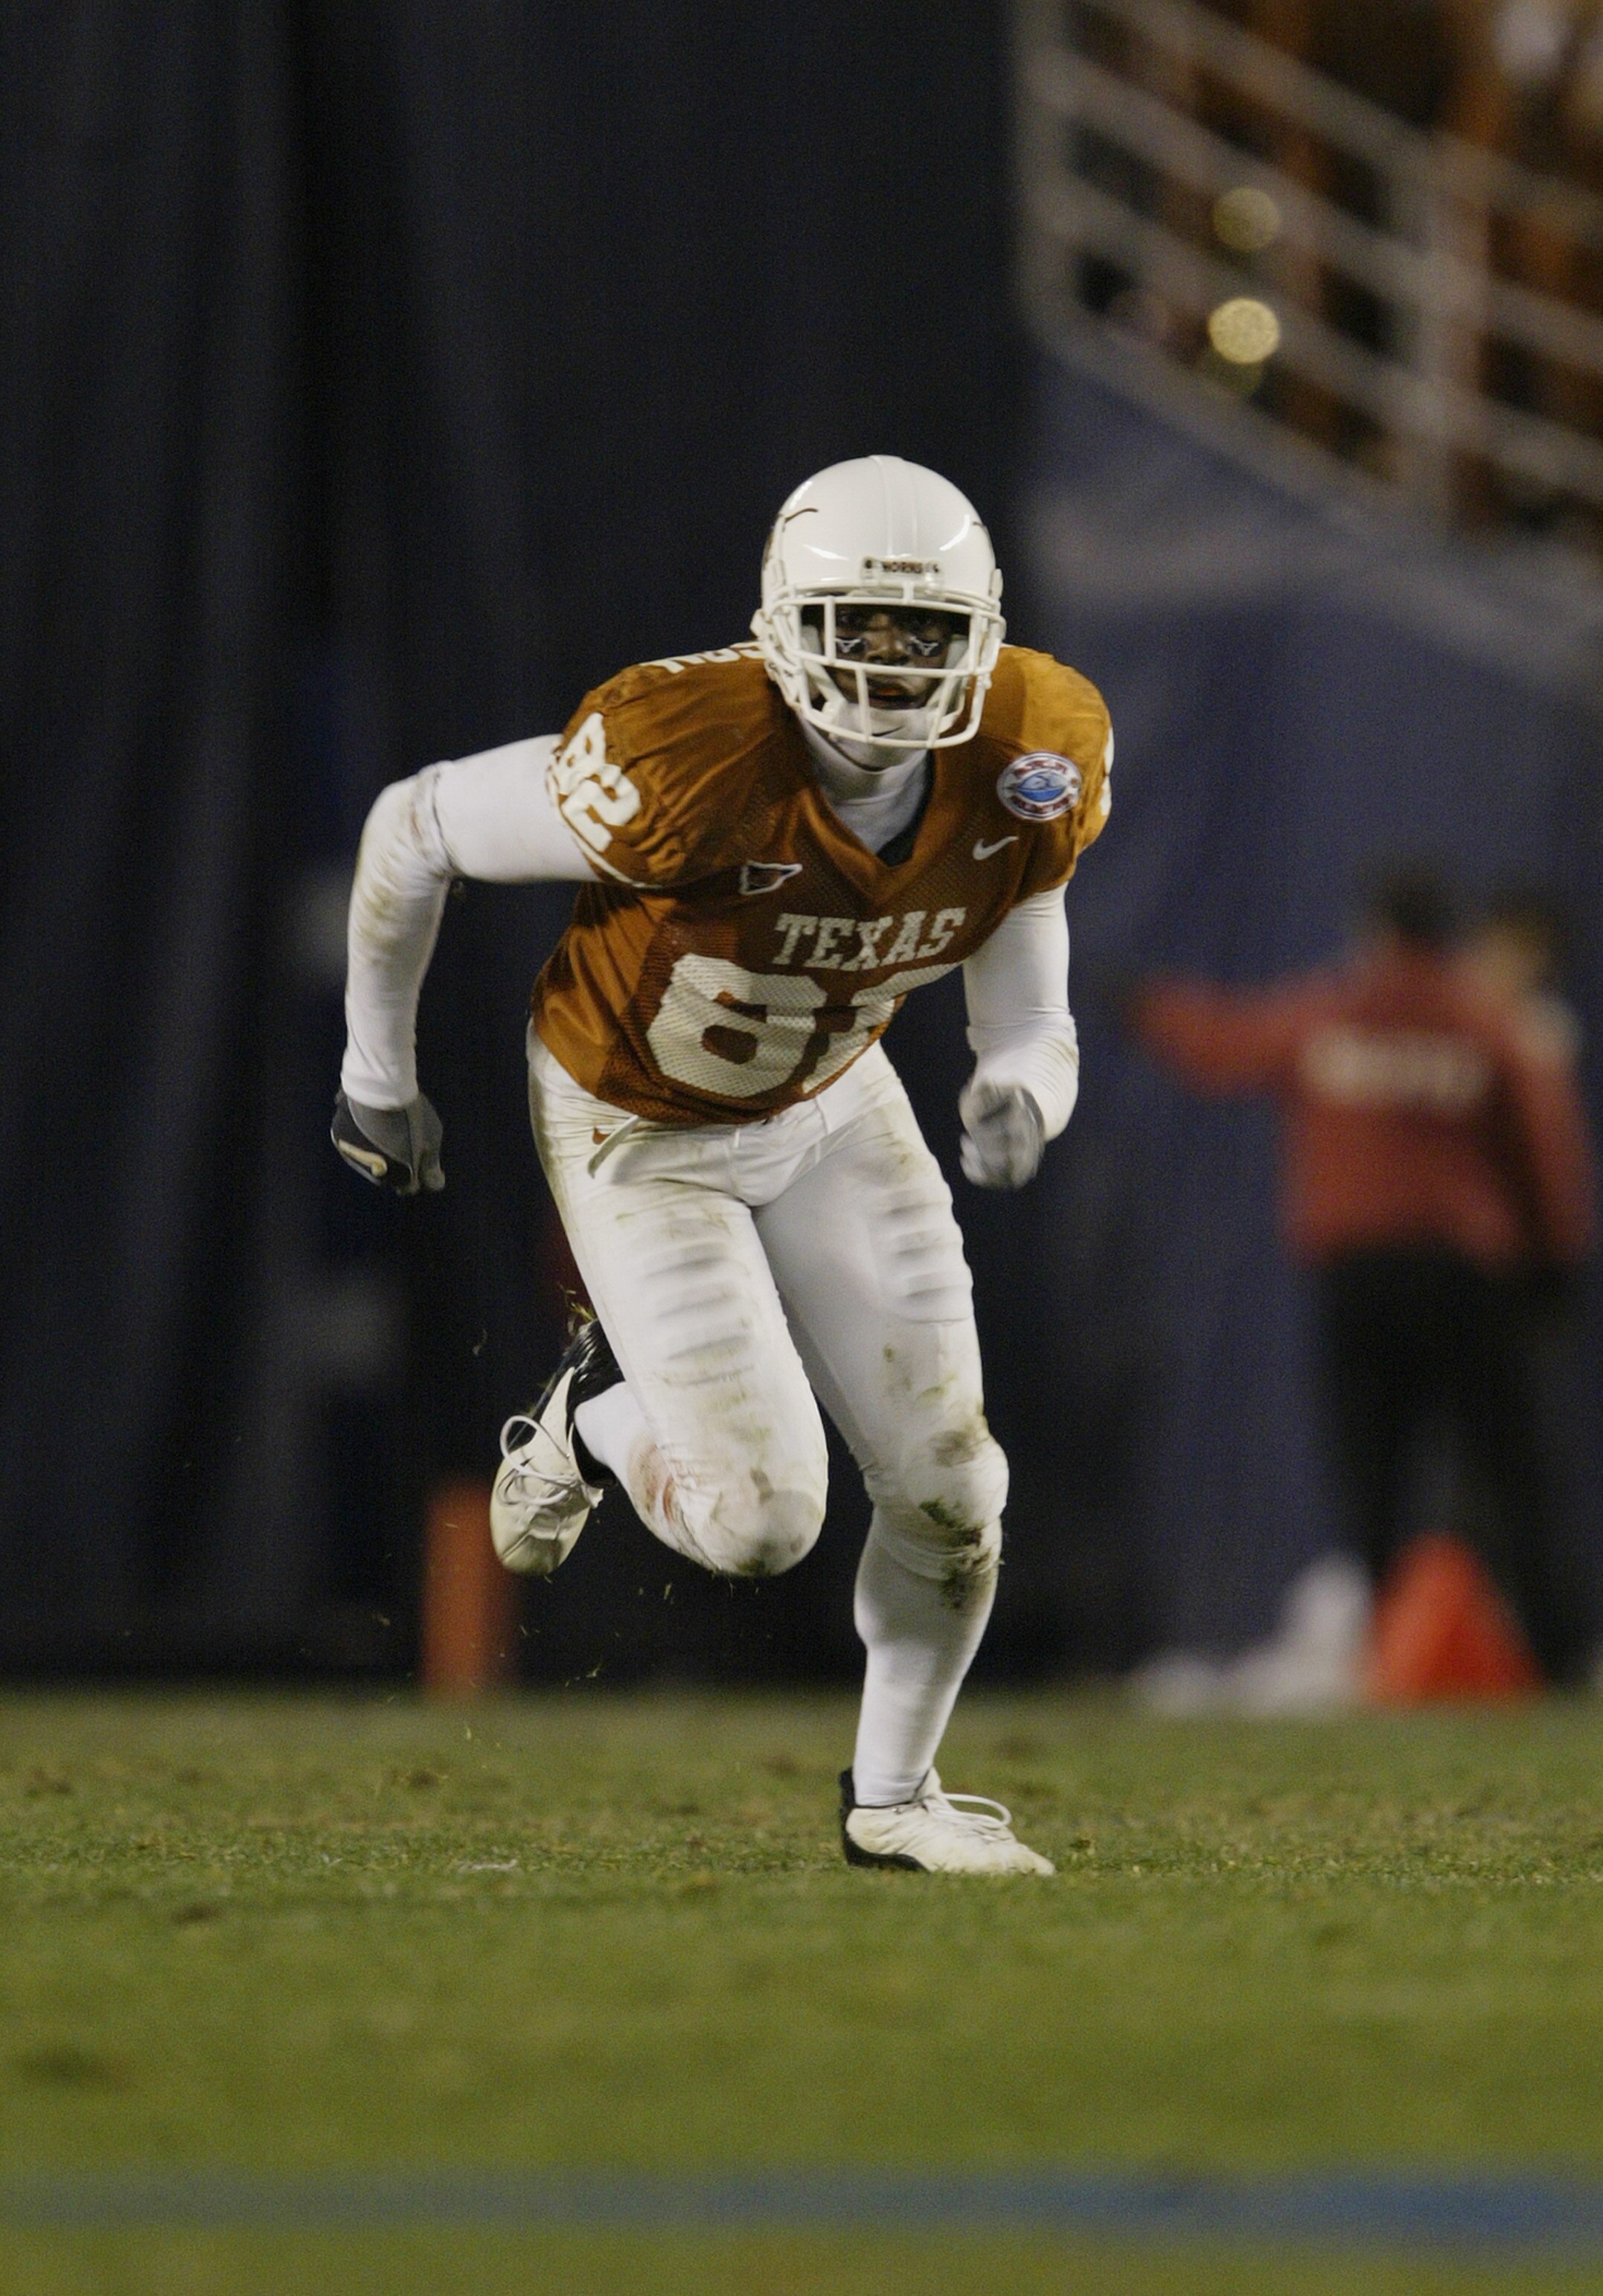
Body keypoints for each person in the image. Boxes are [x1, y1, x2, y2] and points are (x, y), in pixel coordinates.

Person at [333, 457, 1113, 1873]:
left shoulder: (1030, 751)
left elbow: (1026, 989)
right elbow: (417, 824)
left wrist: (1022, 1083)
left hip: (828, 1106)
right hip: (641, 1125)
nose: (886, 666)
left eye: (920, 633)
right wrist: (374, 1073)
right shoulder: (679, 753)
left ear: (979, 633)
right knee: (761, 1528)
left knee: (952, 1485)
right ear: (778, 624)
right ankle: (584, 1423)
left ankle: (892, 1800)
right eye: (854, 629)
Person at [1133, 868, 1596, 1684]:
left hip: (1360, 1279)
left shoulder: (1331, 1011)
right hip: (1467, 1279)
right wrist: (1557, 1256)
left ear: (1376, 931)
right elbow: (1544, 1148)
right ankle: (1553, 1652)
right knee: (1508, 1467)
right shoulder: (1487, 1021)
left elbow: (1223, 1045)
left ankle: (1388, 1651)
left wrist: (1144, 1004)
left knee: (1371, 1467)